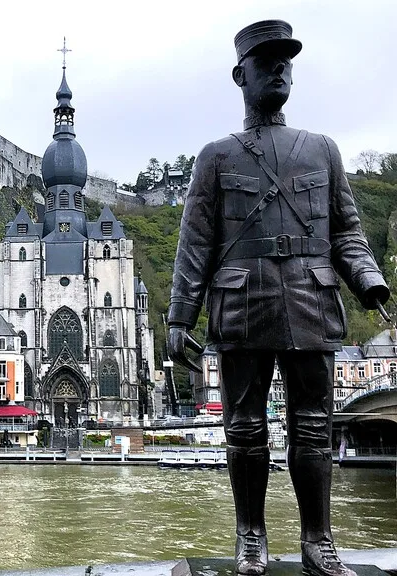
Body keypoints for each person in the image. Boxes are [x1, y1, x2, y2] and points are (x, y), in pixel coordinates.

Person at [166, 19, 389, 576]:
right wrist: (179, 317)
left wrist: (369, 281)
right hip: (242, 305)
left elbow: (347, 232)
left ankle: (319, 540)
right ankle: (250, 536)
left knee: (315, 425)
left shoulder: (322, 149)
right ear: (241, 75)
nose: (279, 69)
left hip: (311, 301)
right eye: (266, 61)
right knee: (243, 426)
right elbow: (195, 244)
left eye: (286, 60)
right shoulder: (215, 156)